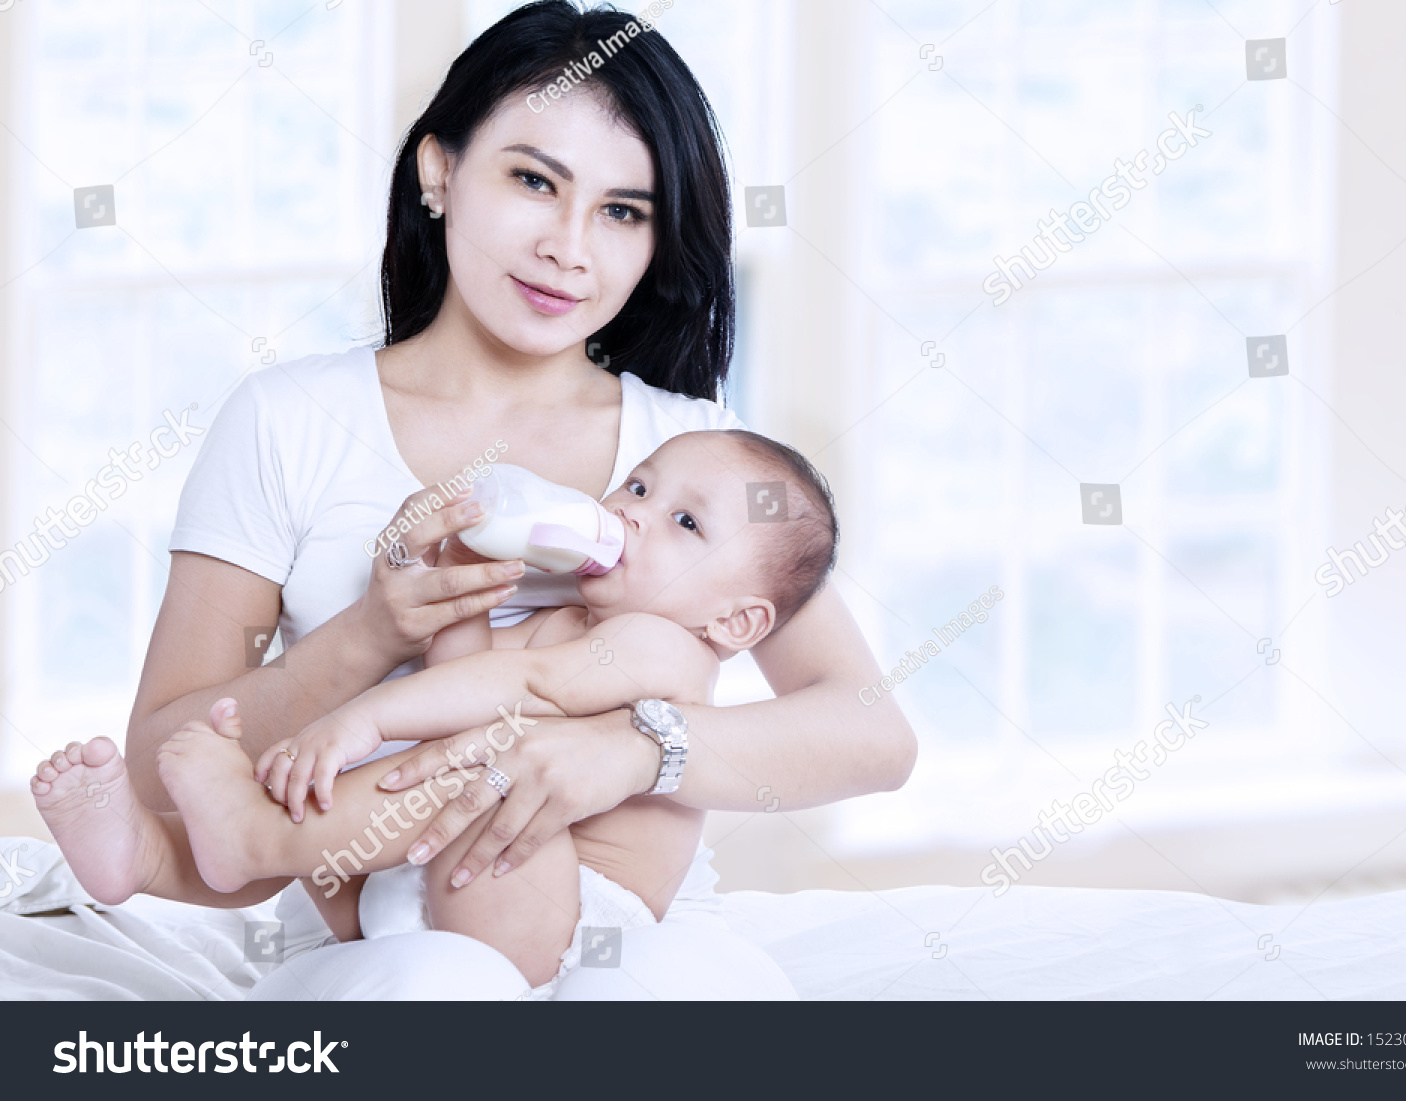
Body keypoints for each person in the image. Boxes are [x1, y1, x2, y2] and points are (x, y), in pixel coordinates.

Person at [116, 0, 914, 1000]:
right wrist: (369, 633)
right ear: (439, 170)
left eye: (624, 211)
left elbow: (871, 736)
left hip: (644, 931)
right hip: (377, 925)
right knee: (439, 992)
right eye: (535, 181)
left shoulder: (686, 452)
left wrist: (631, 751)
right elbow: (159, 771)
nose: (569, 248)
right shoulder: (289, 420)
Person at [34, 430, 839, 999]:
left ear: (736, 623)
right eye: (637, 485)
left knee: (478, 758)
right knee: (399, 769)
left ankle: (239, 838)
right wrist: (459, 570)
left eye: (685, 522)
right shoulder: (574, 622)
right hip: (428, 882)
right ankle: (148, 859)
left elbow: (516, 685)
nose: (632, 511)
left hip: (558, 918)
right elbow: (469, 677)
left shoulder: (666, 649)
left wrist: (368, 720)